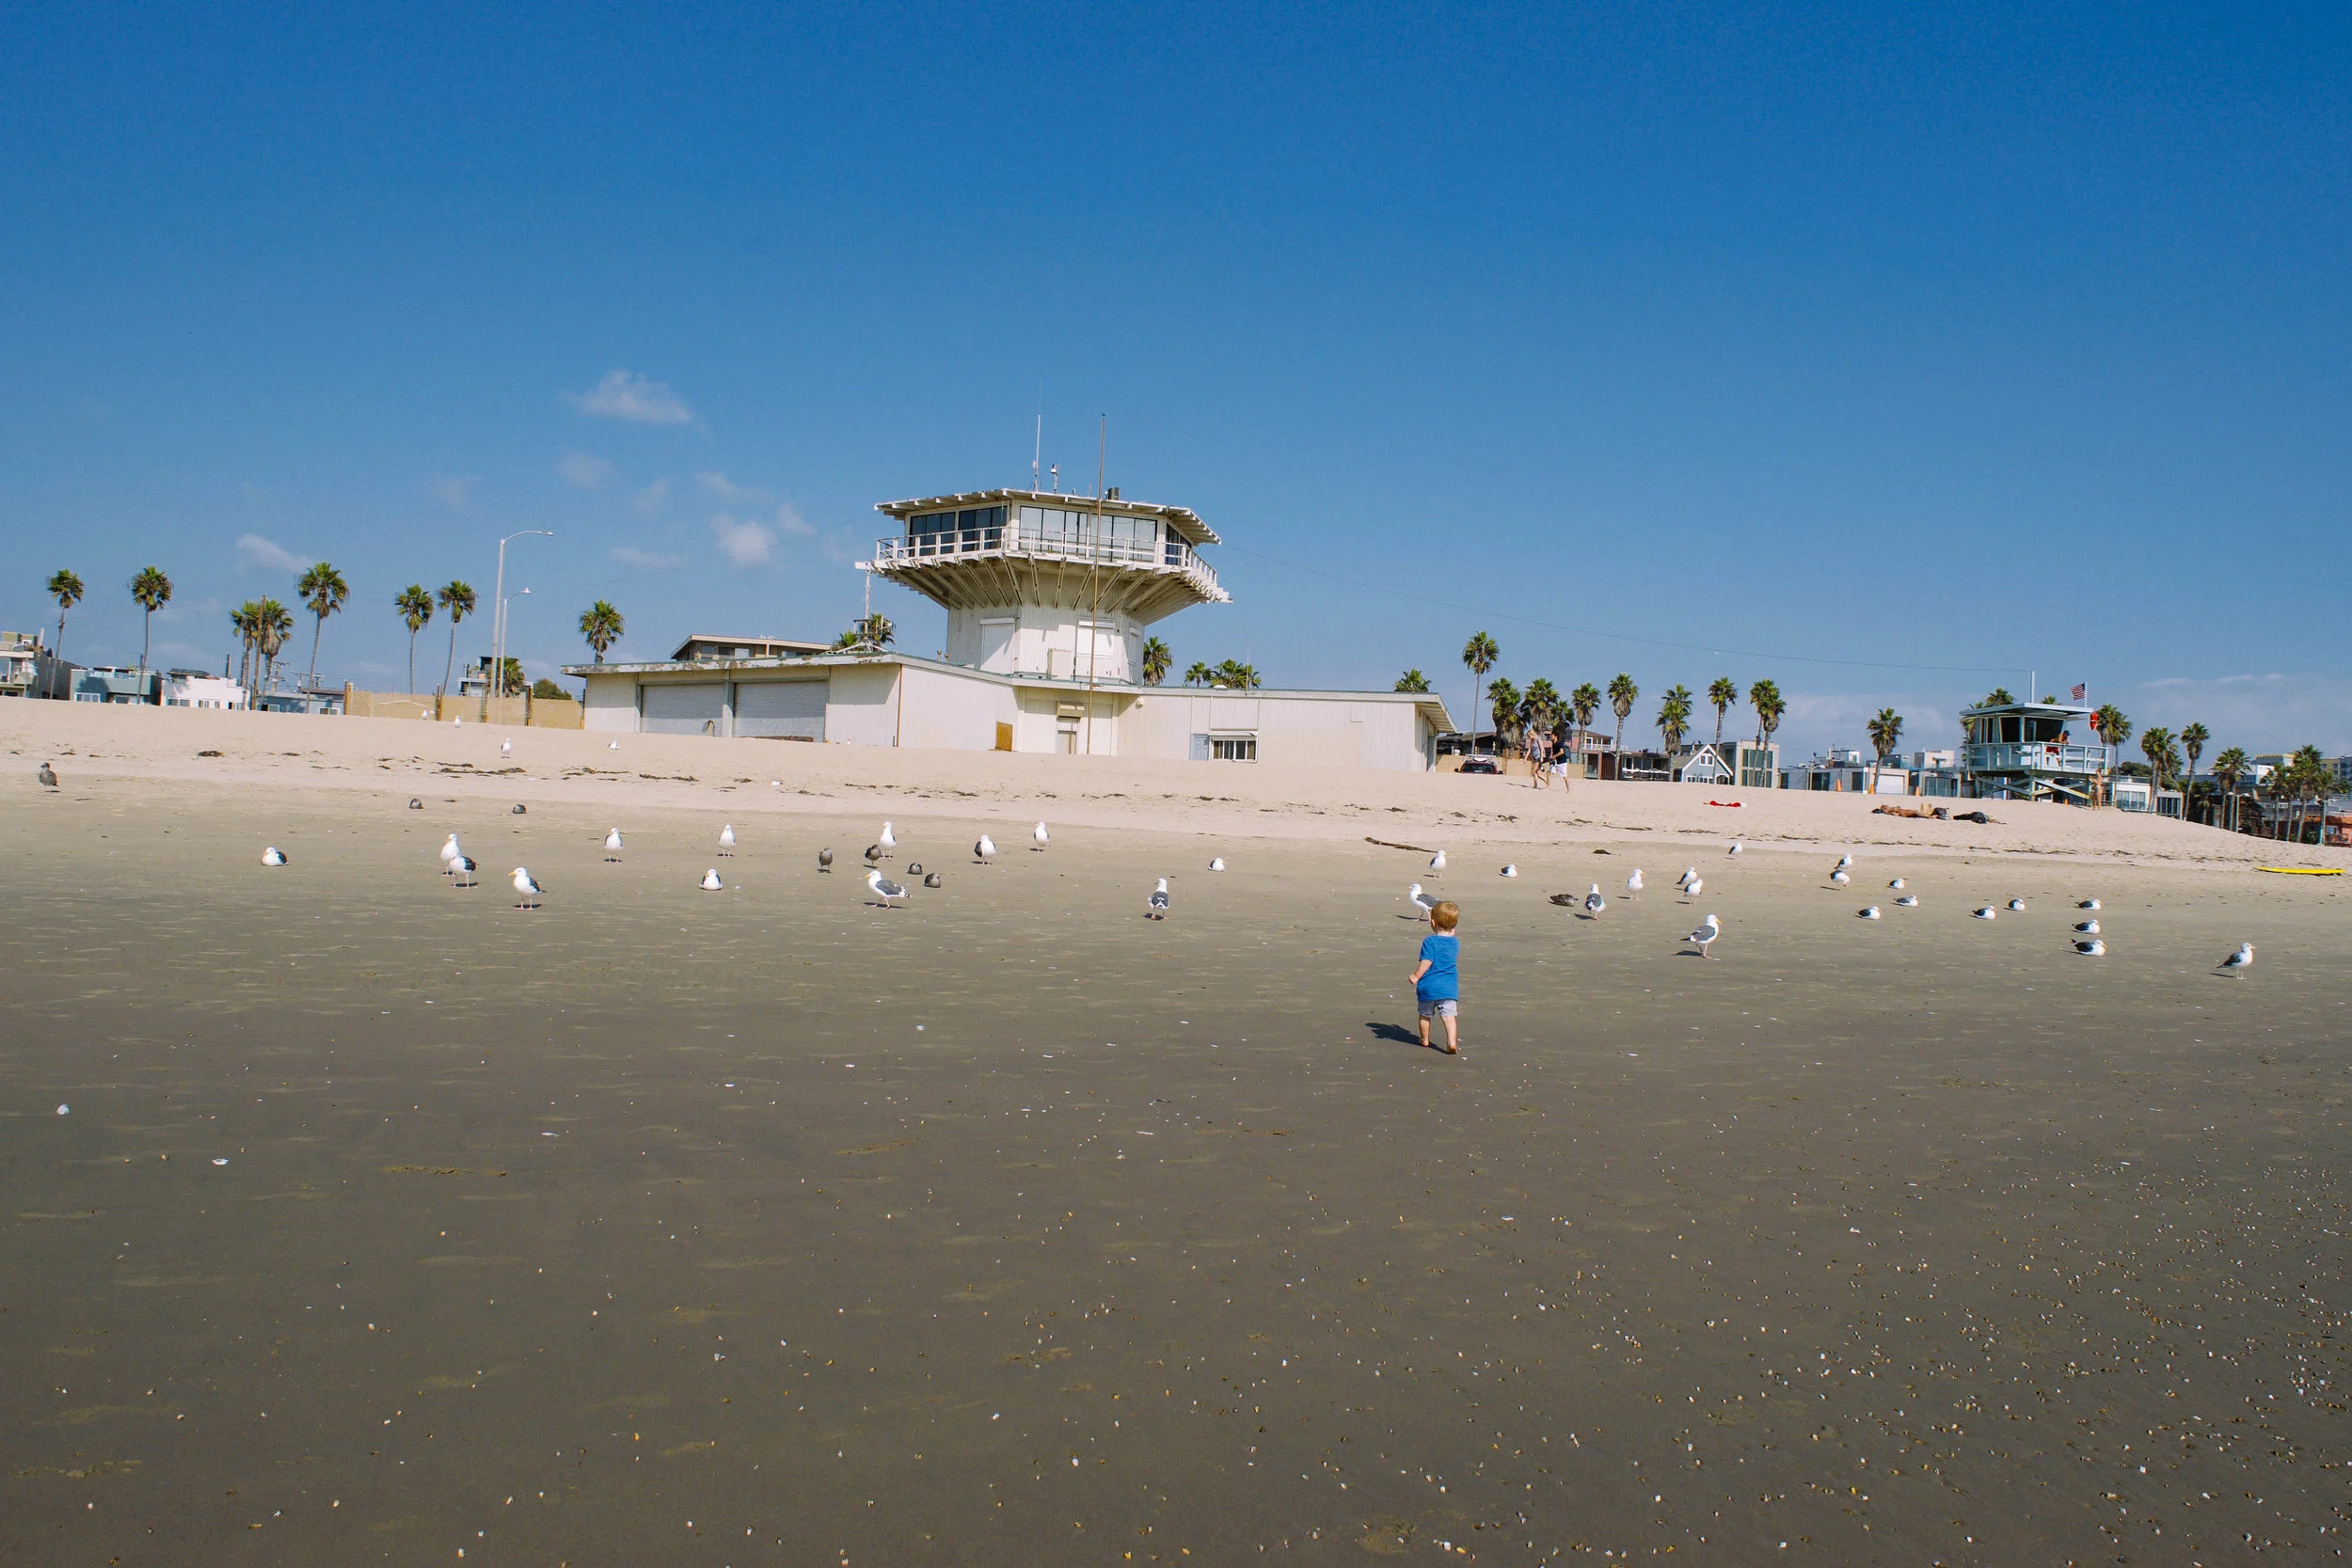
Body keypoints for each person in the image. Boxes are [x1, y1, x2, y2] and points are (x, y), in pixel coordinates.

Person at [1409, 900, 1462, 1055]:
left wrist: (1416, 976)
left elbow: (1427, 961)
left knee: (1425, 1015)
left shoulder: (1430, 942)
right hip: (1448, 987)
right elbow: (1449, 937)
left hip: (1429, 986)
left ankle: (1425, 1039)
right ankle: (1451, 1042)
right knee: (1449, 1016)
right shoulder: (1455, 942)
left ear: (1432, 922)